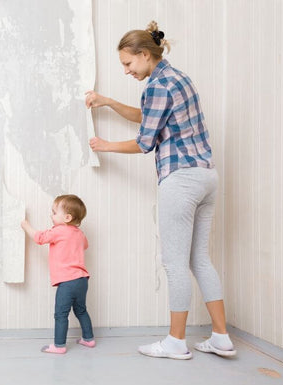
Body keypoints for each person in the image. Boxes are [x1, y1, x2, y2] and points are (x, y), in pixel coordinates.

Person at [85, 21, 236, 360]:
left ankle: (176, 341)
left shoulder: (156, 87)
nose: (126, 71)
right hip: (206, 176)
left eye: (128, 64)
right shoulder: (179, 78)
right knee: (199, 259)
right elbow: (148, 116)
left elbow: (144, 142)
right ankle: (222, 337)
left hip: (180, 179)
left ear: (143, 55)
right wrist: (108, 102)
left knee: (174, 262)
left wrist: (104, 146)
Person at [21, 194, 95, 354]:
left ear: (67, 217)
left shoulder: (59, 231)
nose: (51, 215)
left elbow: (40, 238)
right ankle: (89, 339)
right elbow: (85, 245)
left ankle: (59, 345)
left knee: (61, 314)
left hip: (67, 281)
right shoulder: (80, 234)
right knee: (81, 310)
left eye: (54, 213)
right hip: (82, 280)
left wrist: (26, 225)